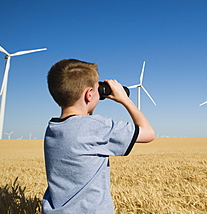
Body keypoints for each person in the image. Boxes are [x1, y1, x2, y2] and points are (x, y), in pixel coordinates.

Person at [42, 59, 155, 213]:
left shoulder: (52, 128)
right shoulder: (96, 127)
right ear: (89, 94)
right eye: (98, 88)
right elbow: (148, 133)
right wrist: (125, 100)